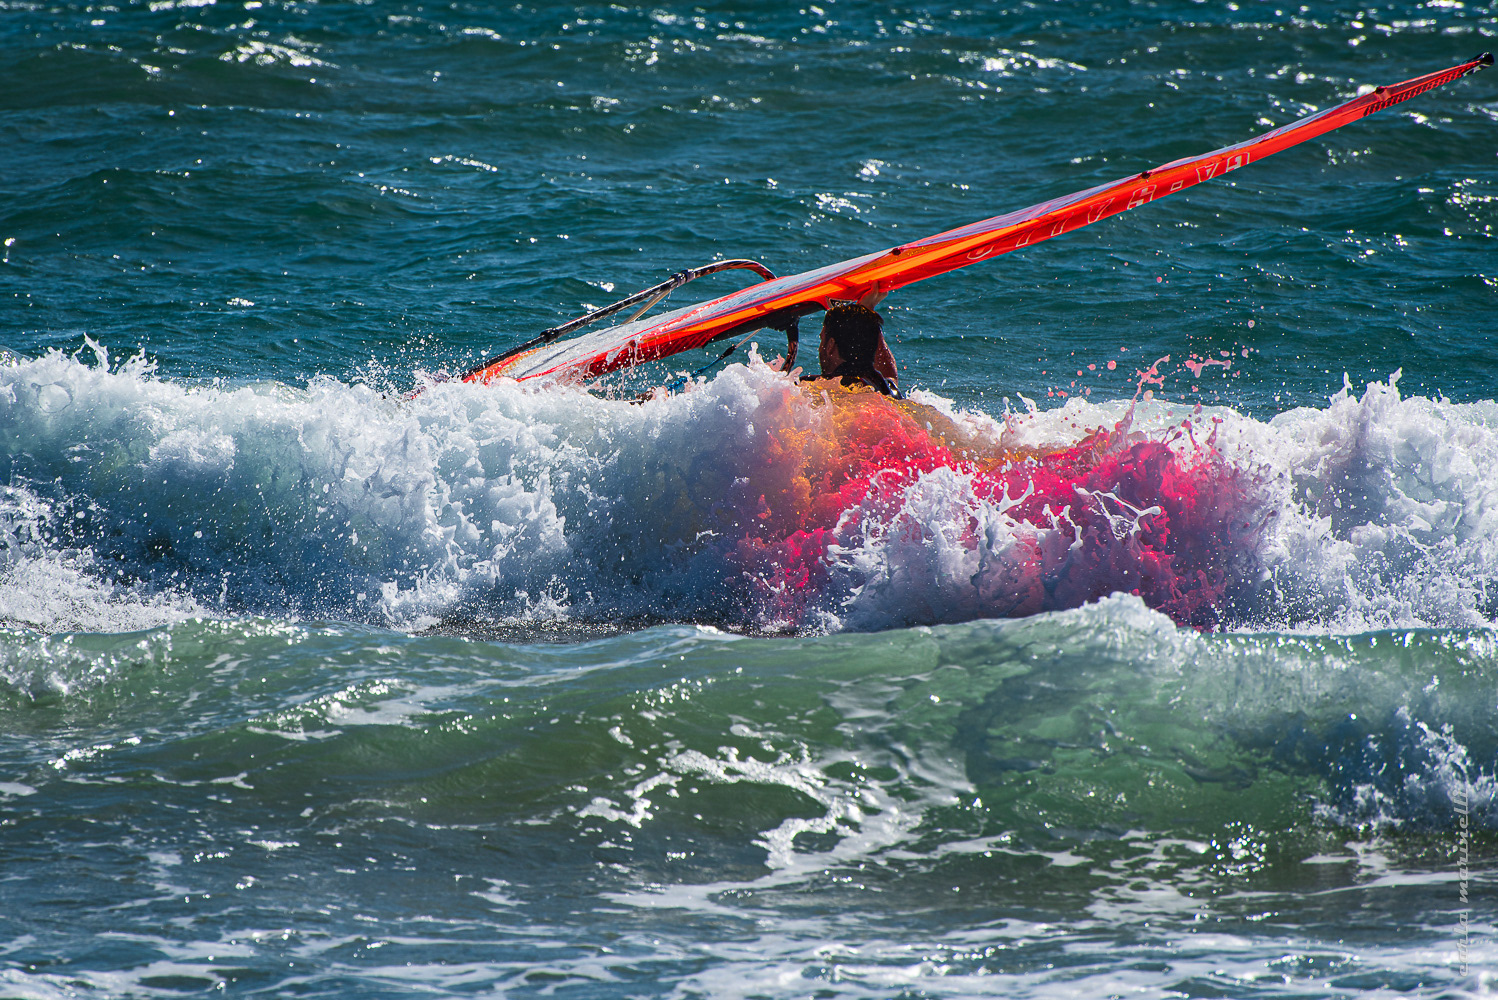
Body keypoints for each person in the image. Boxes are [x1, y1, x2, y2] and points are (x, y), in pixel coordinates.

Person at [804, 303, 901, 397]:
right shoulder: (887, 388)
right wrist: (869, 317)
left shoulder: (819, 386)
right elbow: (889, 371)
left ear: (830, 345)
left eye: (822, 339)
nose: (820, 347)